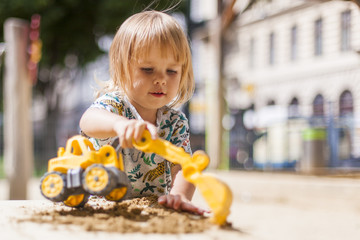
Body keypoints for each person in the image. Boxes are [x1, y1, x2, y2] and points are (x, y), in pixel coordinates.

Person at [79, 10, 205, 215]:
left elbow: (184, 167)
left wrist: (180, 195)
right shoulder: (115, 106)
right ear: (121, 67)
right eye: (147, 69)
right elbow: (88, 120)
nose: (161, 79)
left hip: (152, 209)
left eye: (171, 71)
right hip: (102, 207)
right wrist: (121, 124)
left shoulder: (175, 122)